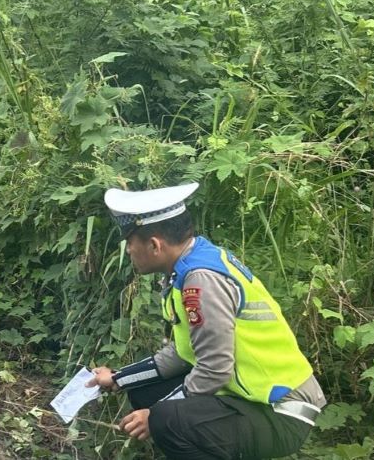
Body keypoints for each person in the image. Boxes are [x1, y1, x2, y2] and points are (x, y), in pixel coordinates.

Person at [86, 182, 325, 459]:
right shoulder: (191, 264)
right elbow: (182, 353)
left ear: (154, 245)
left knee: (164, 418)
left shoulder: (201, 280)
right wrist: (120, 378)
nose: (128, 250)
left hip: (280, 411)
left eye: (130, 242)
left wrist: (152, 416)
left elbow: (215, 368)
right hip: (248, 398)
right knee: (145, 393)